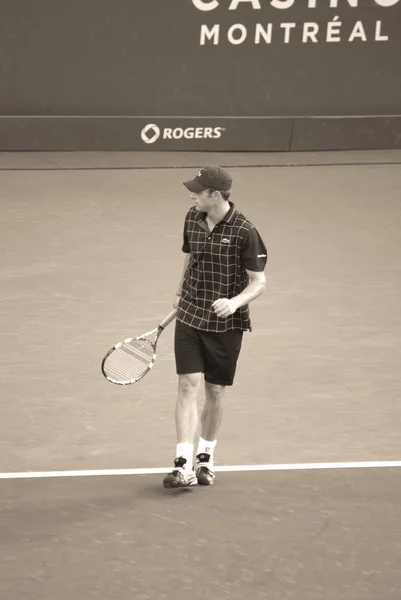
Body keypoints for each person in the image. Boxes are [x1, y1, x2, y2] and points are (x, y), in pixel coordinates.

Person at [163, 166, 267, 489]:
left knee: (215, 391)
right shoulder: (191, 218)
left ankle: (205, 457)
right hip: (191, 315)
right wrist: (181, 289)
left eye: (198, 191)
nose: (192, 195)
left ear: (216, 195)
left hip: (226, 322)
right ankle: (182, 465)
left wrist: (234, 303)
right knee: (186, 386)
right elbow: (190, 255)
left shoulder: (244, 231)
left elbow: (259, 282)